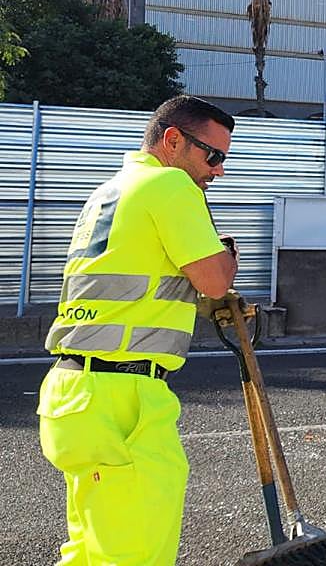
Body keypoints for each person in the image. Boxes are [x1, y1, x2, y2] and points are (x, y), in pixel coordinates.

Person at [37, 95, 240, 565]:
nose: (218, 171)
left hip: (74, 394)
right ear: (173, 140)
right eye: (213, 156)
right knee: (136, 555)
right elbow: (213, 281)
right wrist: (227, 256)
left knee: (90, 551)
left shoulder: (109, 192)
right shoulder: (170, 185)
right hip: (123, 398)